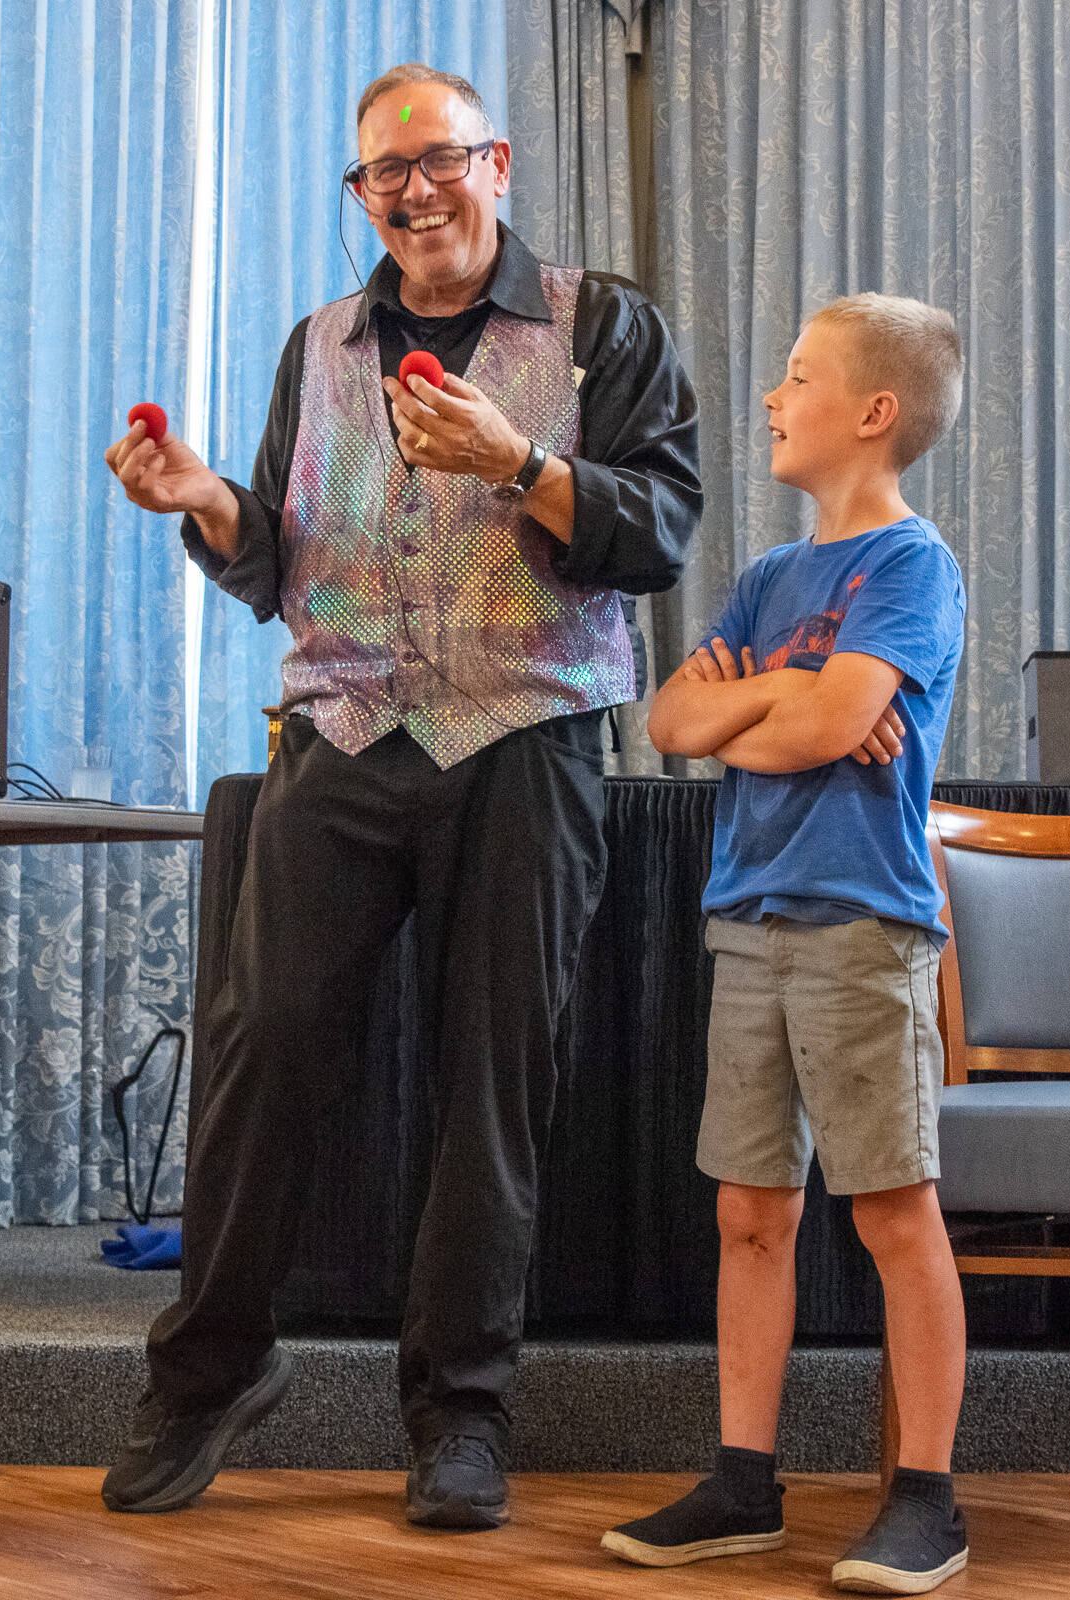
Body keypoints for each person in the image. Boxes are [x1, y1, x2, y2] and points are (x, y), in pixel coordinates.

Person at [101, 63, 702, 1529]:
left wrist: (528, 467)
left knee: (491, 1085)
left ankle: (461, 1417)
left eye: (439, 160)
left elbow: (665, 527)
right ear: (362, 194)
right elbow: (276, 555)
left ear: (495, 163)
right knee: (262, 1054)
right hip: (347, 730)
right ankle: (209, 1373)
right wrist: (202, 502)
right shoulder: (320, 343)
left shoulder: (602, 323)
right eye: (388, 173)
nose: (416, 192)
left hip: (526, 734)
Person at [603, 294, 970, 1593]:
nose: (770, 396)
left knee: (889, 1207)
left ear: (872, 412)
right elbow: (669, 721)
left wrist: (765, 710)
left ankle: (926, 1495)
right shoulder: (767, 581)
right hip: (748, 920)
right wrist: (785, 696)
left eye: (797, 375)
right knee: (750, 1211)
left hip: (864, 930)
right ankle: (744, 1480)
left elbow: (824, 732)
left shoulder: (911, 568)